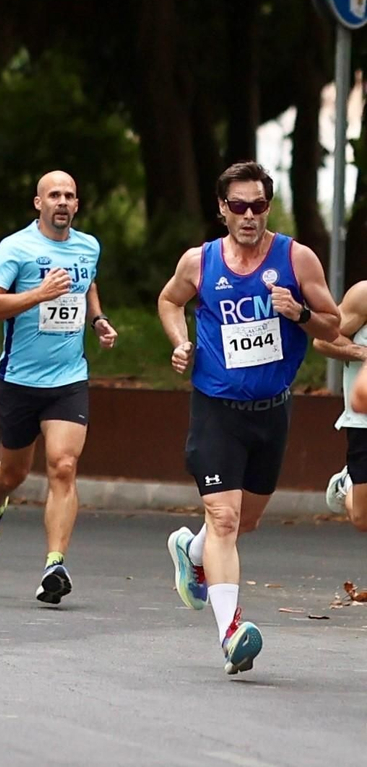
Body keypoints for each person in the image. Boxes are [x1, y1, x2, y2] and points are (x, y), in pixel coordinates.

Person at [159, 160, 338, 677]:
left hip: (272, 411)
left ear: (268, 206)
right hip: (216, 408)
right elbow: (170, 301)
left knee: (247, 521)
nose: (249, 215)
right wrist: (181, 342)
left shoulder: (296, 259)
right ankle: (231, 632)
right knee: (225, 518)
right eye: (238, 206)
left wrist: (299, 314)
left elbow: (332, 322)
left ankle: (190, 551)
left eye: (258, 205)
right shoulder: (200, 262)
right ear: (222, 210)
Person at [0, 171, 118, 605]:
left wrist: (98, 320)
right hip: (18, 379)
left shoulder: (88, 246)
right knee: (11, 472)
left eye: (70, 195)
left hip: (68, 379)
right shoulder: (16, 248)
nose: (63, 202)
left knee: (63, 466)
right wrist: (39, 293)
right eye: (54, 195)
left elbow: (87, 285)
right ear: (38, 203)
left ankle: (55, 564)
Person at [316, 281, 367, 531]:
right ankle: (348, 482)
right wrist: (361, 353)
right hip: (364, 420)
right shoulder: (363, 295)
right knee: (362, 518)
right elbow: (323, 340)